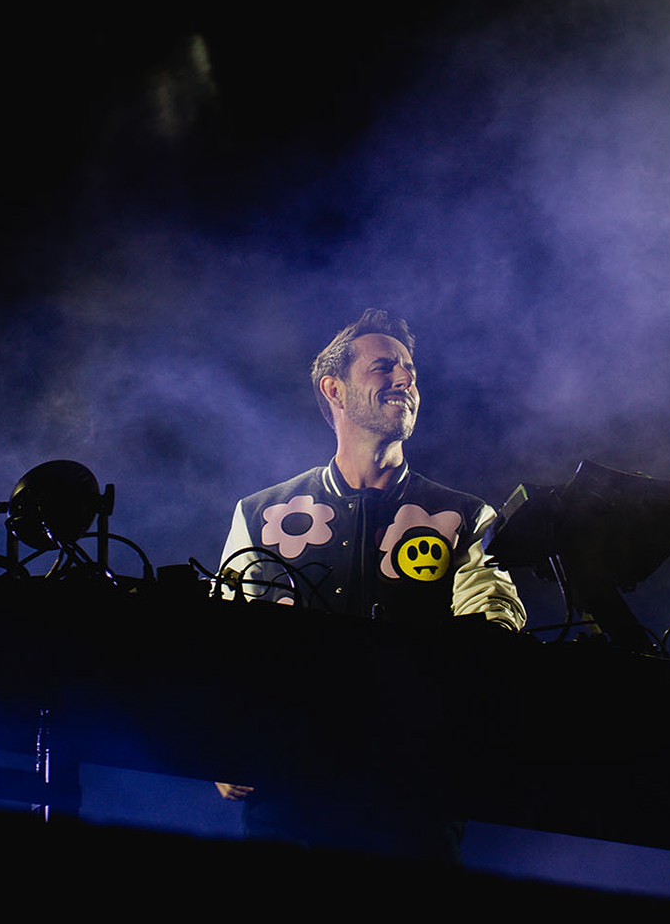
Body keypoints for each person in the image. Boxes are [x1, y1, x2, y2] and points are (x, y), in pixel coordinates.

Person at [215, 308, 525, 862]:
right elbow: (220, 642)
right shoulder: (260, 513)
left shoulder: (465, 516)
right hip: (288, 794)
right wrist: (222, 742)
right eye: (384, 367)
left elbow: (495, 621)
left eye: (410, 370)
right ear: (333, 389)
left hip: (412, 800)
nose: (405, 379)